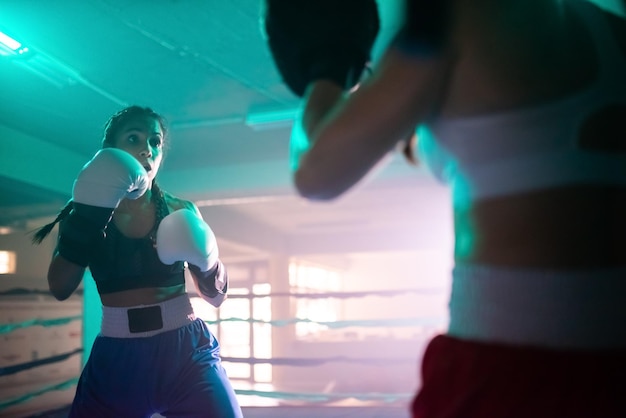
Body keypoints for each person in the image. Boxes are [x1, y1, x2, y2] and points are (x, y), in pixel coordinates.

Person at [262, 0, 626, 416]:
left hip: (509, 371)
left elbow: (317, 173)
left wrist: (326, 72)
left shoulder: (454, 15)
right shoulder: (614, 30)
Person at [32, 106, 243, 418]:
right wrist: (88, 221)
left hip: (185, 353)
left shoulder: (179, 209)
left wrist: (209, 262)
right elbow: (60, 286)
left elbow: (215, 296)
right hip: (118, 356)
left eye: (155, 142)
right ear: (110, 150)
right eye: (135, 138)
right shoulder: (82, 209)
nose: (147, 149)